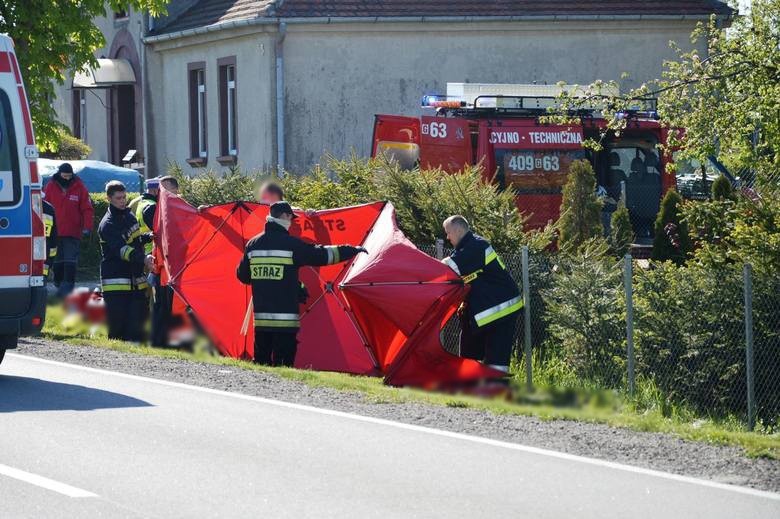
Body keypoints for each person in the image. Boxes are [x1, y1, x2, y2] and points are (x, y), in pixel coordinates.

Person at [236, 201, 367, 366]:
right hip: (285, 321)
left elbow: (242, 275)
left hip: (261, 321)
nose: (291, 222)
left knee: (261, 366)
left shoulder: (253, 244)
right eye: (291, 218)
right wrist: (351, 250)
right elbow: (320, 255)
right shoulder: (291, 245)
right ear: (284, 216)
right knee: (283, 367)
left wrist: (270, 281)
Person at [441, 215, 522, 375]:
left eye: (448, 232)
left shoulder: (477, 246)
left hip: (502, 308)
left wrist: (421, 267)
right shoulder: (467, 248)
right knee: (471, 345)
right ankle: (473, 380)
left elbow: (449, 268)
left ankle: (494, 387)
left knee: (496, 354)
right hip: (490, 308)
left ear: (458, 230)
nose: (447, 237)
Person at [98, 181, 153, 342]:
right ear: (109, 198)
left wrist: (147, 237)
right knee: (118, 323)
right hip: (116, 280)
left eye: (124, 197)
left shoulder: (129, 216)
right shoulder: (107, 224)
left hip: (135, 277)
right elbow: (123, 250)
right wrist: (143, 259)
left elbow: (134, 241)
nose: (122, 201)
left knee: (139, 318)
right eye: (118, 198)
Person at [43, 162, 94, 297]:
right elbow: (43, 207)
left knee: (70, 260)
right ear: (59, 174)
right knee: (58, 261)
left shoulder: (80, 187)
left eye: (69, 176)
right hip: (54, 232)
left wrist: (87, 228)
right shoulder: (50, 187)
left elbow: (87, 209)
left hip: (73, 232)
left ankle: (68, 286)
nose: (66, 179)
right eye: (64, 176)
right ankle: (58, 282)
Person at [148, 176, 180, 347]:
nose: (161, 193)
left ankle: (170, 342)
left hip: (174, 272)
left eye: (165, 189)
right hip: (160, 271)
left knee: (172, 310)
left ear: (175, 190)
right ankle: (159, 342)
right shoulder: (160, 209)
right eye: (160, 190)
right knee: (160, 309)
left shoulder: (180, 209)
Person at [42, 196, 58, 280]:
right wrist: (50, 261)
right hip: (44, 260)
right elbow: (53, 238)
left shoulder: (23, 208)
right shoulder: (49, 209)